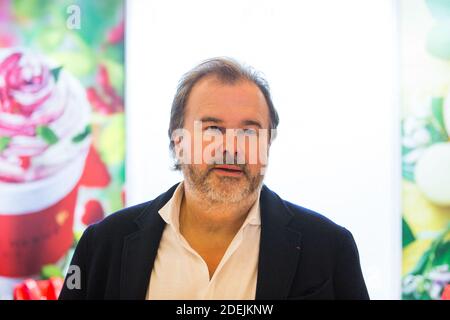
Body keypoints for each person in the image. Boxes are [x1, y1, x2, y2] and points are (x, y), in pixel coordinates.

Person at [59, 57, 369, 300]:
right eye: (212, 129)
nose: (232, 147)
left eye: (249, 131)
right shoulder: (103, 246)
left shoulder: (329, 249)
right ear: (178, 140)